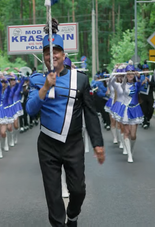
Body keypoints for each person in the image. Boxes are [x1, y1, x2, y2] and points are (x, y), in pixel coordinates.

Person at [26, 20, 105, 227]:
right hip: (48, 145)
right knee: (53, 196)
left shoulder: (79, 79)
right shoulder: (36, 80)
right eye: (47, 52)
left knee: (78, 191)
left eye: (56, 51)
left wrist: (97, 143)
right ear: (43, 56)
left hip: (73, 143)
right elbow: (30, 110)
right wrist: (45, 87)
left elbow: (90, 113)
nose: (52, 56)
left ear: (63, 54)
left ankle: (73, 214)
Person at [139, 61, 155, 129]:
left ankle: (148, 119)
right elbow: (137, 86)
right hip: (142, 95)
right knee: (144, 109)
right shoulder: (140, 77)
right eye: (144, 70)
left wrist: (149, 82)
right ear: (143, 71)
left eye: (147, 69)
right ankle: (145, 121)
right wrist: (141, 83)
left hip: (149, 95)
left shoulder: (151, 77)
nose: (146, 71)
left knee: (151, 108)